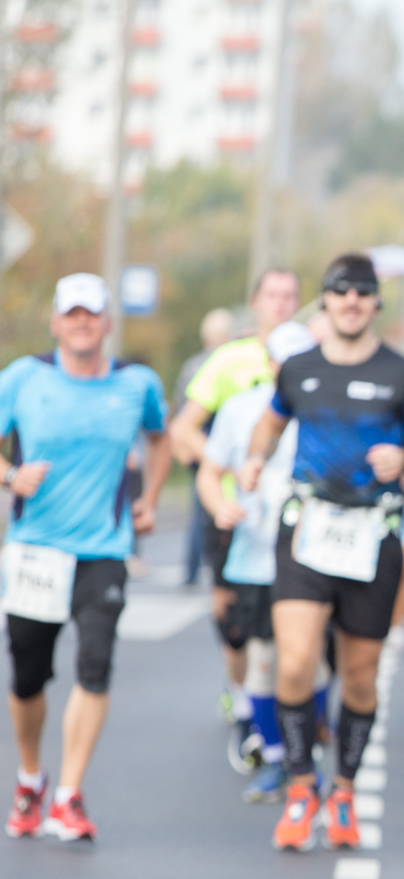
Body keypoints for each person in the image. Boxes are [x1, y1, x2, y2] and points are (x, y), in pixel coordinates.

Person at [239, 252, 404, 852]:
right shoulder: (299, 369)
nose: (351, 301)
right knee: (295, 661)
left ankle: (345, 790)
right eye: (340, 291)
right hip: (308, 530)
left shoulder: (403, 375)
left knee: (359, 676)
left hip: (371, 537)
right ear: (326, 301)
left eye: (362, 292)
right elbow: (269, 423)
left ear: (375, 302)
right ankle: (303, 785)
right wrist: (255, 459)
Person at [2, 273, 170, 842]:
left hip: (104, 548)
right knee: (28, 675)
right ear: (55, 322)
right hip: (36, 551)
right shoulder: (26, 378)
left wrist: (147, 501)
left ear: (107, 323)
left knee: (94, 666)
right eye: (71, 313)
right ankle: (31, 776)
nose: (81, 322)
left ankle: (69, 794)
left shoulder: (136, 383)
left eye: (91, 314)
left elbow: (160, 436)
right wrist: (10, 476)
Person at [196, 321, 324, 803]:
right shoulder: (239, 409)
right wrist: (218, 505)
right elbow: (210, 473)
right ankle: (277, 759)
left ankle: (306, 756)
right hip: (255, 557)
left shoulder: (327, 406)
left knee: (313, 665)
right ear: (268, 362)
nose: (288, 369)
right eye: (281, 360)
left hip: (317, 558)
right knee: (265, 663)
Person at [169, 269, 302, 737]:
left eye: (290, 296)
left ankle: (278, 709)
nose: (281, 303)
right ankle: (241, 686)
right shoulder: (229, 361)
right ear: (256, 301)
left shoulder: (308, 357)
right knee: (231, 614)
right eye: (273, 295)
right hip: (233, 510)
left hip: (291, 520)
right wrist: (226, 461)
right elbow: (183, 430)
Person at [178, 307, 237, 586]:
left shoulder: (191, 364)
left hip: (199, 449)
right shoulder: (228, 363)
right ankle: (219, 575)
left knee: (201, 511)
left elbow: (179, 409)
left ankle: (193, 572)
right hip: (214, 448)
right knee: (220, 509)